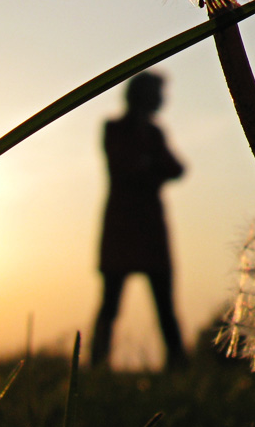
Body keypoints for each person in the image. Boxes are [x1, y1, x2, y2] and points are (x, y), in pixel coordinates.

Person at [91, 71, 187, 369]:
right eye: (158, 93)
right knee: (111, 302)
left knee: (165, 304)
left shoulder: (155, 133)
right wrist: (150, 165)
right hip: (122, 227)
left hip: (150, 229)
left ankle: (178, 364)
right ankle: (98, 363)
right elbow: (125, 167)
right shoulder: (114, 128)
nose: (162, 100)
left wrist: (148, 164)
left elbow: (177, 168)